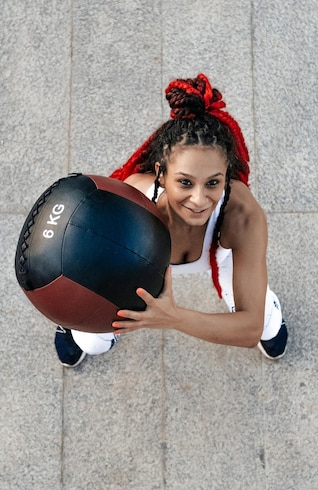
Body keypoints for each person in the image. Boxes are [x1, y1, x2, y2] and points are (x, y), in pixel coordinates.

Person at [55, 73, 288, 367]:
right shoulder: (133, 198)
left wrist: (173, 317)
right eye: (186, 183)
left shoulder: (240, 213)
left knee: (264, 323)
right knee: (91, 339)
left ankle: (273, 315)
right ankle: (72, 325)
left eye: (213, 183)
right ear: (161, 174)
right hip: (139, 262)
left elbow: (248, 329)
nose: (200, 200)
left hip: (218, 254)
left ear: (226, 174)